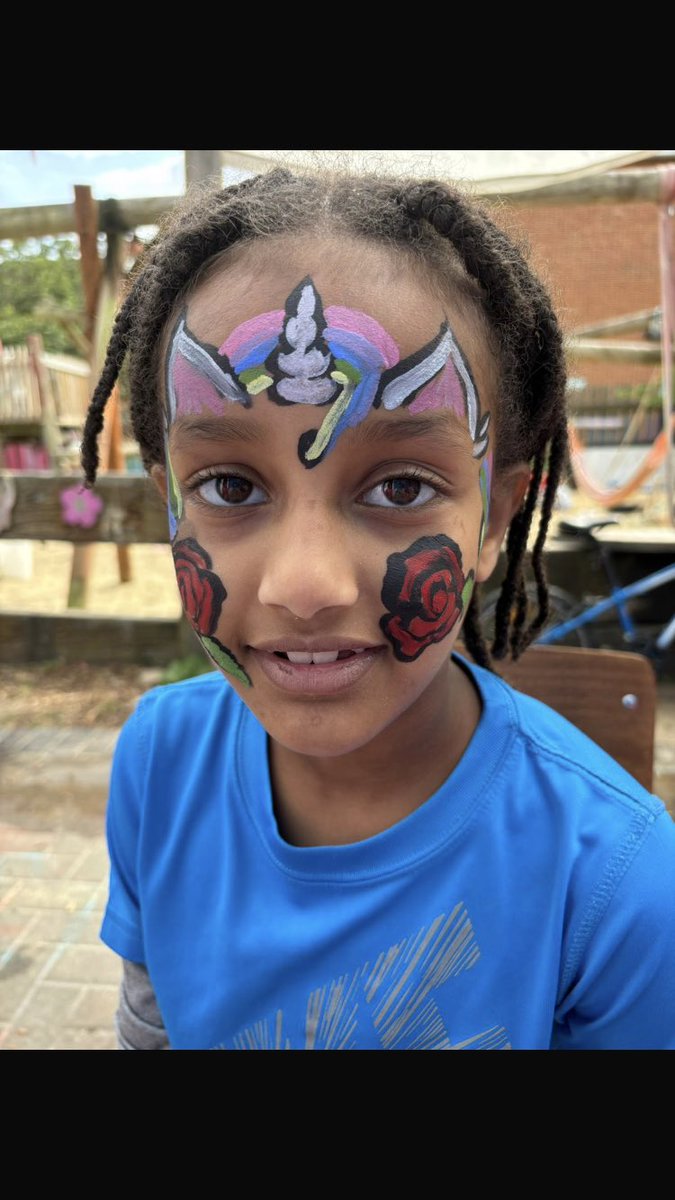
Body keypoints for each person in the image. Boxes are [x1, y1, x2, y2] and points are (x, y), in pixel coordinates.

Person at [81, 167, 675, 1051]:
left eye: (400, 486)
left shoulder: (621, 889)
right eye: (230, 486)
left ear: (495, 520)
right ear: (168, 502)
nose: (304, 584)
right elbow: (152, 1028)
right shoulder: (159, 764)